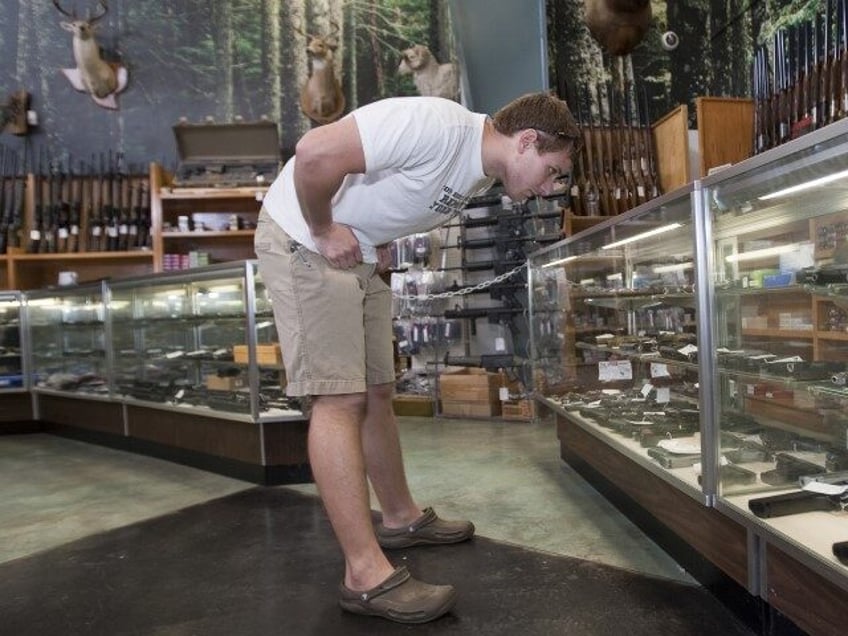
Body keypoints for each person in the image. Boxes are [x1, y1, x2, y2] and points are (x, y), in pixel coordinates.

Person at [254, 92, 580, 624]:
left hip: (357, 252)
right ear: (526, 142)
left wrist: (377, 238)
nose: (550, 186)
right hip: (304, 240)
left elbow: (393, 195)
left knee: (380, 390)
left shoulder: (480, 171)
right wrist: (322, 228)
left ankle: (400, 518)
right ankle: (364, 576)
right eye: (551, 171)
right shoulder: (436, 126)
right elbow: (313, 153)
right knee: (339, 400)